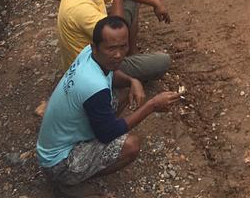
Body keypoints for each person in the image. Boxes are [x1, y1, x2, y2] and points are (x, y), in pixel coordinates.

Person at [37, 16, 180, 197]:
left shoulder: (88, 54)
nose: (119, 55)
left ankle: (80, 166)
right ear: (95, 47)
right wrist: (152, 105)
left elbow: (112, 73)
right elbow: (108, 134)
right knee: (131, 145)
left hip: (55, 144)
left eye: (123, 46)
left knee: (121, 94)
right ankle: (70, 180)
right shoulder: (93, 85)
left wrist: (132, 80)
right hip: (58, 162)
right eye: (111, 48)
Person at [57, 0, 171, 83]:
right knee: (162, 61)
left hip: (104, 49)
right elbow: (115, 32)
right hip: (94, 70)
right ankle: (116, 85)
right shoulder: (79, 8)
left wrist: (155, 1)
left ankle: (130, 52)